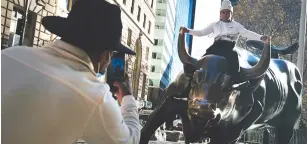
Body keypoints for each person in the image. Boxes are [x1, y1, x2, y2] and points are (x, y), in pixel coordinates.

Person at [1, 0, 140, 144]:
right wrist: (128, 99)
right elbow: (129, 141)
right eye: (112, 54)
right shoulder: (95, 96)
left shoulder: (8, 55)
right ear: (105, 55)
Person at [181, 0, 269, 87]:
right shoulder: (215, 25)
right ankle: (192, 77)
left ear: (231, 14)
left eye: (228, 12)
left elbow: (247, 33)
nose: (225, 14)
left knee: (234, 57)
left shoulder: (236, 26)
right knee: (203, 60)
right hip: (216, 47)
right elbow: (201, 33)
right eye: (223, 12)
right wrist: (188, 31)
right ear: (220, 14)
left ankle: (234, 79)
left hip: (229, 49)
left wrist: (261, 38)